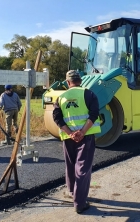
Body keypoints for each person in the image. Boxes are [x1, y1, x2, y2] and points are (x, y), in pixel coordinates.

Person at [52, 70, 101, 214]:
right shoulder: (89, 94)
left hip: (68, 138)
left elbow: (57, 118)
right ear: (80, 81)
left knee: (71, 165)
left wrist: (70, 133)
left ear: (68, 82)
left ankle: (73, 192)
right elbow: (94, 113)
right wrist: (82, 132)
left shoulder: (60, 97)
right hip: (86, 137)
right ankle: (80, 203)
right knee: (83, 168)